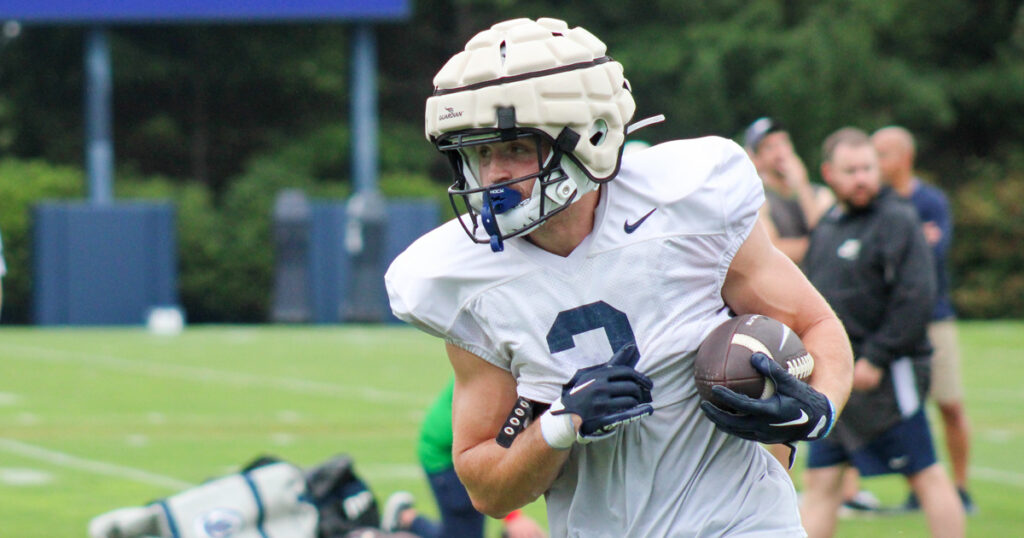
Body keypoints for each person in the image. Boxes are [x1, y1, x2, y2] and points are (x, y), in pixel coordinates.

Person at [385, 17, 853, 536]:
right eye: (478, 153)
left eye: (516, 148)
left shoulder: (686, 206)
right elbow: (489, 490)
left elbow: (818, 327)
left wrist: (819, 407)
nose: (493, 175)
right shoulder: (470, 279)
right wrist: (560, 426)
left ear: (592, 136)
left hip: (743, 523)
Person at [799, 127, 965, 538]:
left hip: (886, 377)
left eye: (868, 168)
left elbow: (917, 297)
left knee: (924, 473)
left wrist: (877, 357)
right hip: (836, 379)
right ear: (829, 173)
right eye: (851, 169)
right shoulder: (830, 224)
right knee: (821, 481)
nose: (861, 178)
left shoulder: (897, 218)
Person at [871, 126, 974, 514]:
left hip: (934, 318)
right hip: (891, 322)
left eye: (883, 154)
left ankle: (961, 488)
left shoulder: (931, 200)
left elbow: (932, 253)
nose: (875, 163)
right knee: (907, 410)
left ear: (905, 157)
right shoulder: (875, 203)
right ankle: (919, 489)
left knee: (950, 405)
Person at [381, 379, 546, 538]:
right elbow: (492, 449)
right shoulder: (494, 375)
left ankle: (407, 519)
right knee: (463, 533)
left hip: (457, 445)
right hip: (445, 455)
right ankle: (407, 520)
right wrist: (513, 517)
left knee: (462, 531)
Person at [743, 117, 834, 263]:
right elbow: (769, 252)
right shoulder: (758, 201)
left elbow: (829, 234)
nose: (780, 152)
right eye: (769, 147)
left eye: (783, 142)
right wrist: (821, 246)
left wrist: (803, 187)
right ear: (755, 159)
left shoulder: (819, 193)